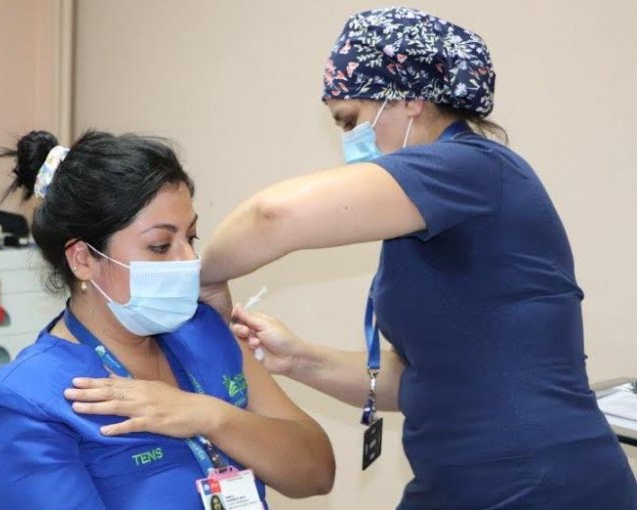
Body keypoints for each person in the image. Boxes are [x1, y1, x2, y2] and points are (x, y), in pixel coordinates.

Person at [200, 6, 637, 510]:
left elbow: (272, 215)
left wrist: (202, 277)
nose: (348, 142)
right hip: (469, 482)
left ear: (407, 98)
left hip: (535, 480)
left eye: (351, 120)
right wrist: (297, 358)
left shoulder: (469, 168)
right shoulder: (427, 213)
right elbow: (421, 379)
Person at [0, 130, 334, 509]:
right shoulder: (22, 403)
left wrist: (209, 415)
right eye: (160, 246)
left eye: (191, 237)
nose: (188, 260)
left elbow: (317, 471)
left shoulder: (204, 330)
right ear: (83, 259)